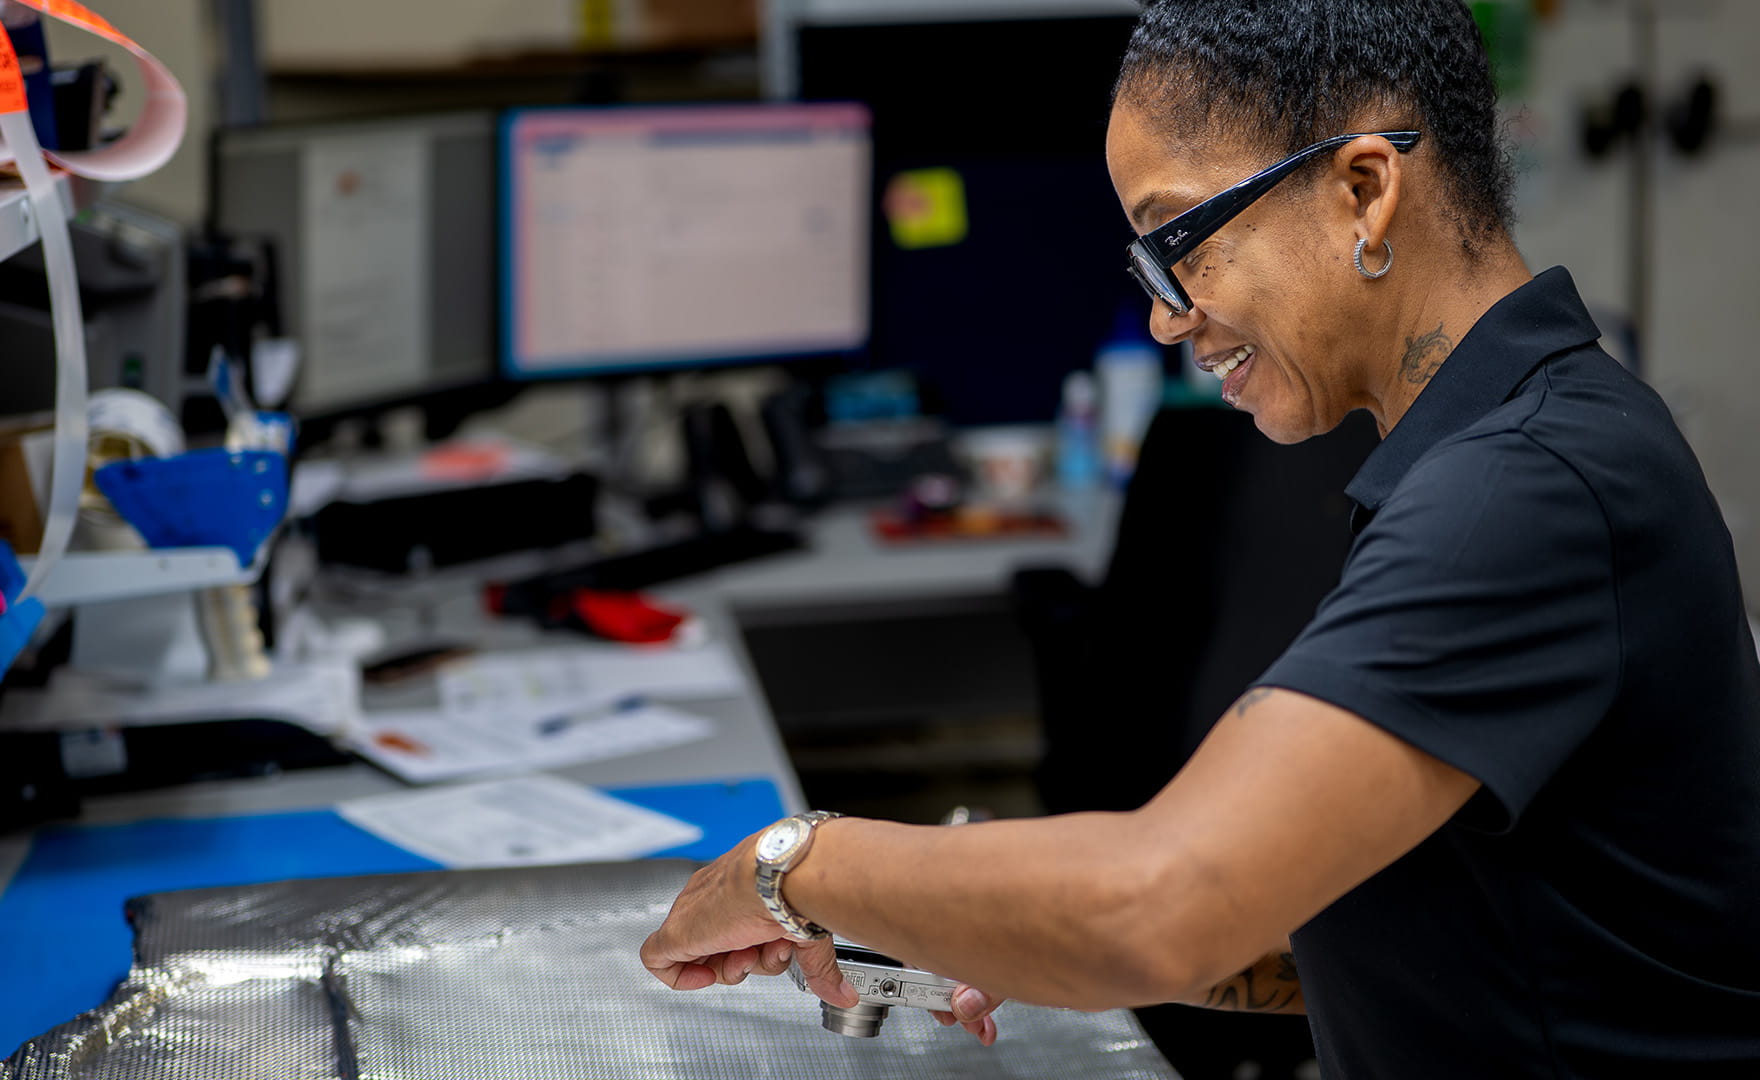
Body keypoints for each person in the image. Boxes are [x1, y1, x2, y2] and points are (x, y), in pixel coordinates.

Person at [639, 1, 1760, 1074]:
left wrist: (796, 864)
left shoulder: (1523, 492)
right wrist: (1007, 924)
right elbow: (1394, 937)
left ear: (1363, 189)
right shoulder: (1509, 438)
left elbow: (1160, 905)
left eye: (1180, 243)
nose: (1168, 315)